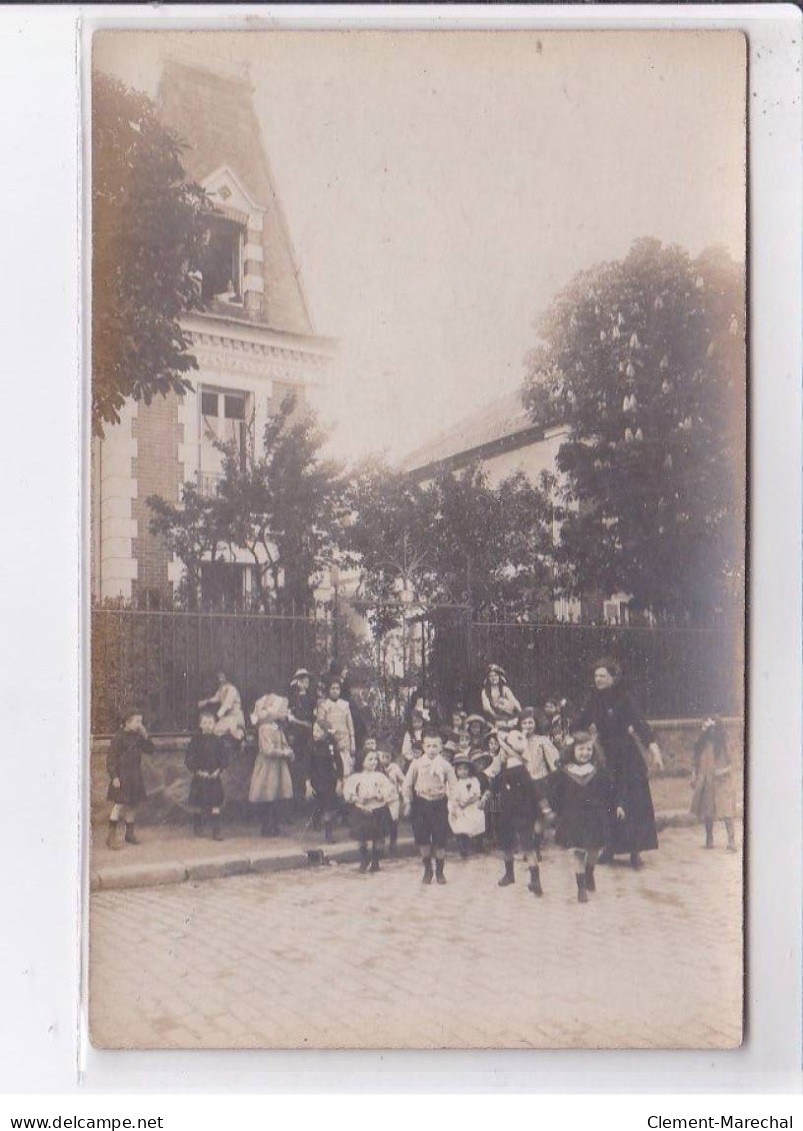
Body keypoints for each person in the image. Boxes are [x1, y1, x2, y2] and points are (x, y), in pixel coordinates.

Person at [574, 657, 664, 869]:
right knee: (607, 802)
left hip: (627, 756)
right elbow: (580, 723)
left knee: (633, 802)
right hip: (605, 757)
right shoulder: (593, 700)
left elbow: (641, 725)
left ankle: (635, 852)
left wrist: (655, 751)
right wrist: (572, 739)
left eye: (602, 675)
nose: (598, 679)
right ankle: (610, 848)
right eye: (596, 676)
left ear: (613, 678)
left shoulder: (625, 699)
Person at [552, 730, 622, 903]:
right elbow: (556, 794)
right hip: (573, 816)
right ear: (572, 751)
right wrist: (555, 811)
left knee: (594, 849)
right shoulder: (565, 772)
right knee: (577, 852)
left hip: (595, 816)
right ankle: (581, 888)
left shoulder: (598, 771)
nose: (585, 753)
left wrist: (618, 805)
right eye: (581, 749)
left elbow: (611, 790)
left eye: (589, 749)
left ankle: (590, 870)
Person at [482, 729, 542, 895]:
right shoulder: (507, 769)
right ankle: (514, 875)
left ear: (508, 751)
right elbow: (495, 783)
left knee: (523, 846)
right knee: (513, 844)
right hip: (507, 812)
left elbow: (532, 793)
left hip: (520, 813)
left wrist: (538, 813)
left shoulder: (518, 770)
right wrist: (487, 795)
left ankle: (533, 880)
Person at [403, 727, 457, 885]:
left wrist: (453, 805)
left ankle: (440, 871)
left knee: (440, 839)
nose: (432, 749)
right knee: (423, 839)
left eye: (435, 746)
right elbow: (407, 785)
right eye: (428, 746)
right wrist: (408, 802)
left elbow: (453, 786)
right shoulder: (417, 764)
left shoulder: (446, 766)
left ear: (441, 747)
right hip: (421, 804)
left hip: (439, 803)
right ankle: (428, 870)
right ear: (423, 746)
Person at [106, 708, 153, 850]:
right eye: (137, 721)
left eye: (141, 721)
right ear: (128, 722)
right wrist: (114, 776)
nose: (140, 724)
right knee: (119, 804)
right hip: (122, 775)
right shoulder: (118, 737)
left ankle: (129, 834)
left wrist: (146, 737)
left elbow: (150, 750)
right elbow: (111, 759)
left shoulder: (138, 737)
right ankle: (111, 836)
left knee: (133, 804)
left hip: (135, 775)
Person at [249, 691, 294, 837]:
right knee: (267, 795)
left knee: (276, 795)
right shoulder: (265, 729)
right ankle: (266, 826)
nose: (284, 713)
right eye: (282, 710)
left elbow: (284, 743)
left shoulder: (277, 728)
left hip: (278, 766)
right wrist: (283, 753)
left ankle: (274, 825)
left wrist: (288, 750)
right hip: (267, 766)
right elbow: (267, 750)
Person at [343, 750, 396, 873]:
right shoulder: (356, 778)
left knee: (378, 837)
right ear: (362, 762)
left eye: (375, 759)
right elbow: (348, 793)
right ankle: (363, 860)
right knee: (362, 837)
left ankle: (375, 861)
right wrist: (358, 798)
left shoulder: (380, 776)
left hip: (379, 809)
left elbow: (389, 790)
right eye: (370, 759)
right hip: (362, 809)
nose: (374, 762)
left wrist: (380, 795)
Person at [690, 717, 737, 851]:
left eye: (711, 729)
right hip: (707, 779)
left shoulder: (724, 743)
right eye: (706, 729)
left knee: (727, 810)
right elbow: (695, 761)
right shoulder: (701, 744)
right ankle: (709, 838)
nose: (709, 732)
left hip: (723, 781)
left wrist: (722, 770)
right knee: (708, 810)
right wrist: (694, 774)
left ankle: (731, 840)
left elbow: (733, 763)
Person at [520, 707, 561, 855]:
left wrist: (556, 772)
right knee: (526, 816)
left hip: (539, 781)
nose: (527, 726)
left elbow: (554, 760)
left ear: (535, 723)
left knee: (539, 815)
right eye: (524, 723)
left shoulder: (542, 741)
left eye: (530, 722)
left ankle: (536, 846)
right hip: (522, 783)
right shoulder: (517, 740)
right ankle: (529, 847)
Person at [185, 708, 230, 841]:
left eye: (211, 723)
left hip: (214, 777)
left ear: (215, 724)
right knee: (199, 803)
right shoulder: (195, 741)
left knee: (215, 803)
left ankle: (216, 831)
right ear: (200, 725)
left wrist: (218, 770)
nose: (208, 725)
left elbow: (224, 758)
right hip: (200, 776)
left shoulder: (218, 741)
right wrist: (198, 771)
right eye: (205, 723)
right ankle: (197, 826)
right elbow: (189, 759)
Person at [308, 720, 344, 843]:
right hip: (316, 780)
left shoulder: (331, 747)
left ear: (325, 732)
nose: (315, 733)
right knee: (318, 805)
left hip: (329, 780)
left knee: (329, 806)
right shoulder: (311, 746)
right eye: (314, 730)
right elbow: (307, 766)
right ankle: (316, 823)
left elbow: (339, 764)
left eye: (318, 731)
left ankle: (329, 833)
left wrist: (339, 781)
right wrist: (307, 783)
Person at [287, 668, 316, 809]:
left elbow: (312, 717)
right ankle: (294, 802)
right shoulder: (292, 697)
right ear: (297, 682)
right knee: (294, 766)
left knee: (307, 764)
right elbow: (288, 716)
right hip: (295, 735)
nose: (306, 684)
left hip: (307, 735)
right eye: (303, 681)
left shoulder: (311, 698)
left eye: (307, 682)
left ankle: (308, 800)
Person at [317, 678, 356, 777]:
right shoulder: (324, 705)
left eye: (337, 688)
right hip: (331, 739)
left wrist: (352, 743)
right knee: (334, 767)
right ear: (328, 690)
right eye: (333, 688)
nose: (335, 691)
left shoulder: (345, 705)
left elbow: (350, 725)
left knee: (347, 768)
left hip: (345, 740)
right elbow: (320, 722)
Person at [448, 754, 486, 857]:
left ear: (469, 770)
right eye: (459, 769)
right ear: (455, 770)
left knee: (475, 823)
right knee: (460, 827)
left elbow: (477, 794)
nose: (463, 772)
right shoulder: (455, 782)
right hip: (459, 806)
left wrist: (468, 802)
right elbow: (452, 796)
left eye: (465, 769)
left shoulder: (474, 780)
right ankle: (463, 848)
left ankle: (477, 844)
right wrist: (457, 804)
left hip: (472, 805)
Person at [198, 671, 245, 741]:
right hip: (227, 717)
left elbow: (227, 705)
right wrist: (205, 702)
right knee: (215, 731)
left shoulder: (232, 689)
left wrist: (217, 716)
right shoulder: (221, 689)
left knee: (226, 733)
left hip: (235, 718)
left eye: (222, 677)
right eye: (219, 677)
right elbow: (216, 698)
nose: (220, 679)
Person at [378, 748, 405, 854]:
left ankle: (393, 842)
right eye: (383, 757)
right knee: (381, 821)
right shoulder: (377, 768)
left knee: (394, 820)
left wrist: (402, 790)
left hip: (393, 797)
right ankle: (382, 842)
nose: (385, 759)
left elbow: (402, 779)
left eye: (387, 757)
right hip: (381, 799)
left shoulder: (395, 768)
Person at [480, 664, 521, 731]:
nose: (494, 678)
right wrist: (496, 716)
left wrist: (521, 713)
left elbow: (514, 701)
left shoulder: (504, 689)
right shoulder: (485, 691)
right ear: (488, 678)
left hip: (507, 716)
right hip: (492, 718)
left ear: (499, 677)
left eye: (495, 675)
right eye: (491, 676)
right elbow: (486, 707)